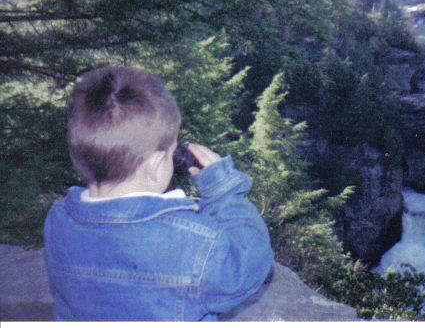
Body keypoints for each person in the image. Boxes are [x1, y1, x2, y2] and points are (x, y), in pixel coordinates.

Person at [43, 66, 274, 321]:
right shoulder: (193, 243)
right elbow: (250, 263)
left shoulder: (58, 221)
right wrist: (223, 193)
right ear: (155, 165)